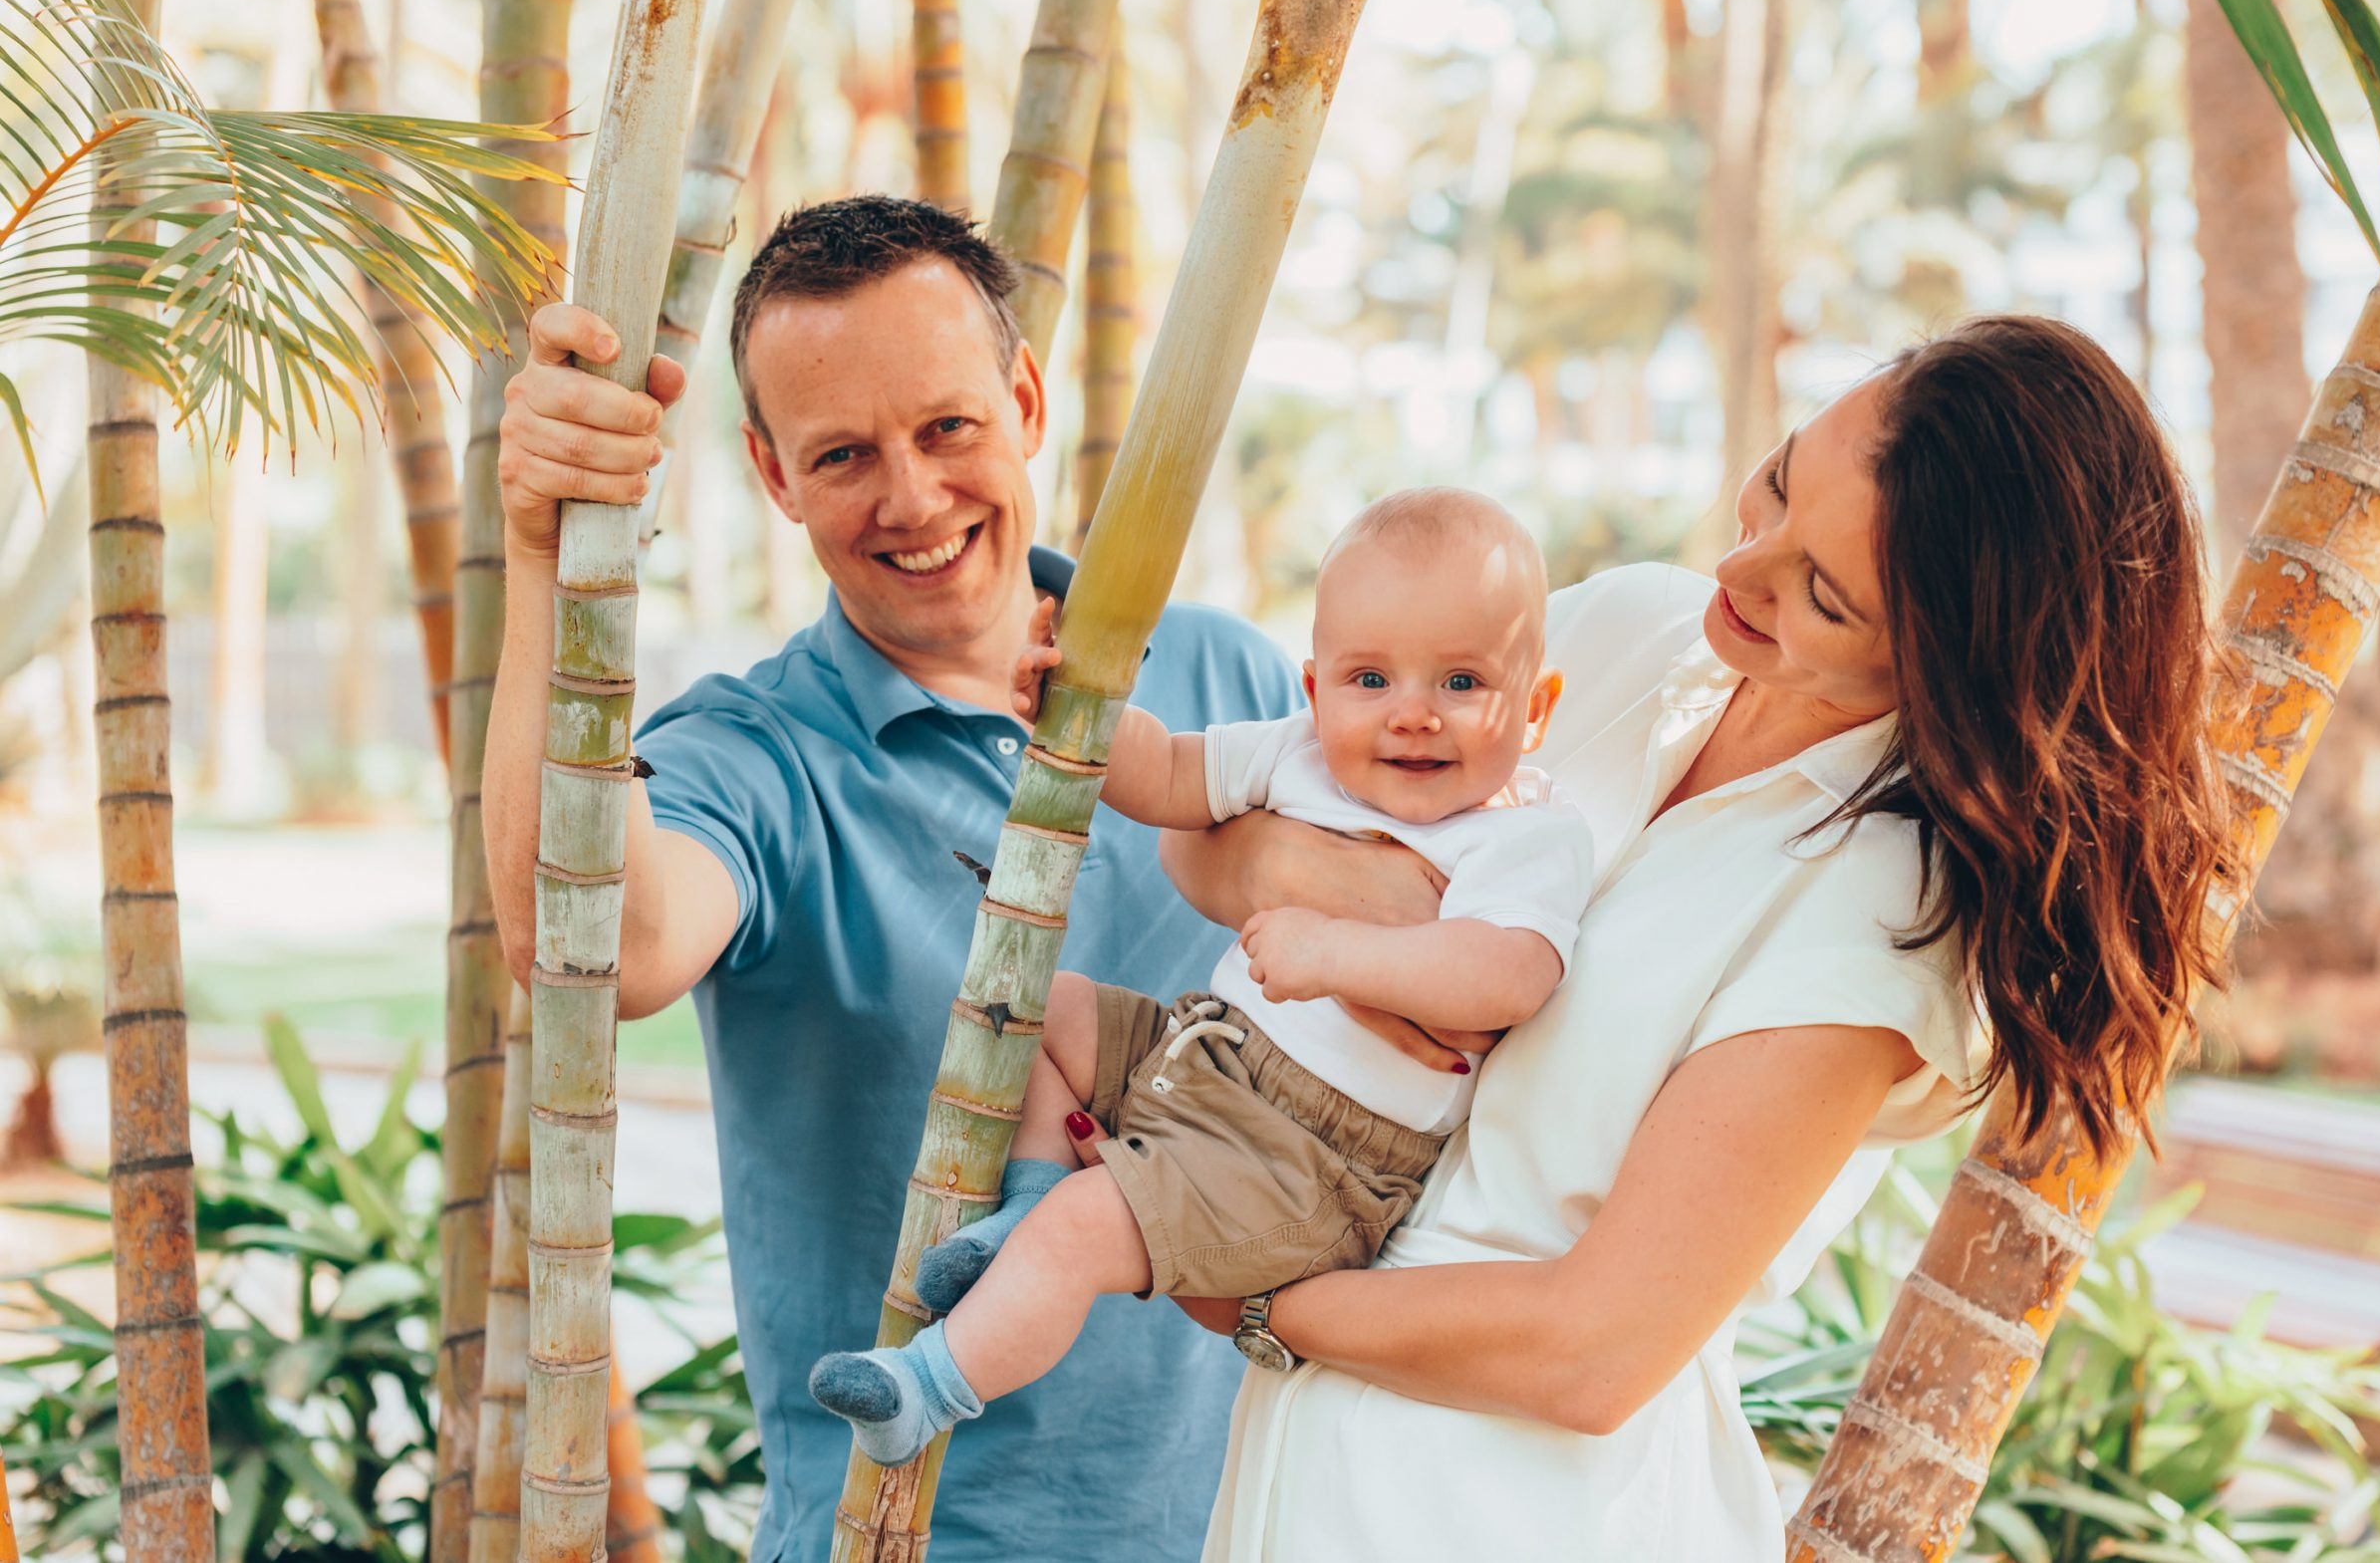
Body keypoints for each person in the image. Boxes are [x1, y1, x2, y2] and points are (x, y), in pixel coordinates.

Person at [1150, 316, 2234, 1559]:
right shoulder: (1627, 633)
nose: (1746, 567)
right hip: (1298, 1479)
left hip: (1525, 1513)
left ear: (1953, 661)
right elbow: (1204, 835)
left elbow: (1591, 1349)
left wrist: (1242, 1293)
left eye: (1821, 594)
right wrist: (1365, 904)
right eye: (1776, 482)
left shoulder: (1885, 912)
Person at [480, 196, 1303, 1563]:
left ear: (1026, 398)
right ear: (771, 470)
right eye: (844, 452)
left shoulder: (1227, 684)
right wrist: (538, 555)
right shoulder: (756, 755)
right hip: (914, 1532)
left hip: (1260, 1516)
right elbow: (600, 943)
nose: (911, 497)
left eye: (947, 428)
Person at [806, 488, 1597, 1467]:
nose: (1412, 716)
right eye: (1369, 679)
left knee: (1084, 1234)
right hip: (1204, 1050)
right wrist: (1082, 710)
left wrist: (1340, 951)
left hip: (1312, 1159)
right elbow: (1169, 775)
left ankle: (922, 1388)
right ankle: (1034, 1182)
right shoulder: (1299, 754)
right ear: (1315, 688)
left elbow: (1509, 975)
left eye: (1463, 683)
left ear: (1537, 709)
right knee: (1032, 1006)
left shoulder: (1526, 834)